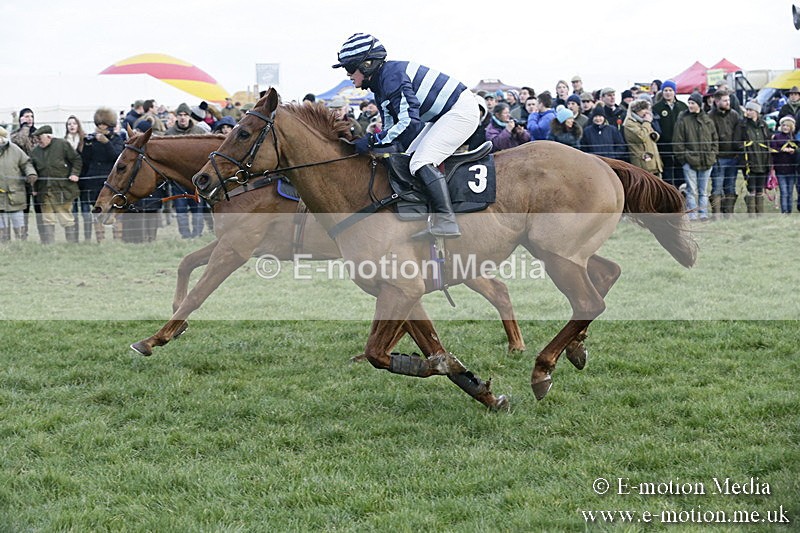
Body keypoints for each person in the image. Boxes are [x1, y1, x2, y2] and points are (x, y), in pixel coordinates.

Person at [332, 33, 479, 239]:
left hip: (460, 111)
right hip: (444, 115)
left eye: (349, 68)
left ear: (367, 64)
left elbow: (409, 122)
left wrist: (373, 140)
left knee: (420, 162)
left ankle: (447, 221)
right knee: (408, 160)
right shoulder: (380, 85)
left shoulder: (392, 77)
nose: (348, 75)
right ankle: (427, 218)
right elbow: (392, 131)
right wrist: (372, 144)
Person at [30, 125, 82, 243]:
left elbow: (76, 160)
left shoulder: (63, 144)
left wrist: (74, 173)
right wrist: (34, 188)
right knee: (47, 219)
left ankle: (71, 245)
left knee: (66, 218)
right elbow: (33, 171)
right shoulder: (35, 152)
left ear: (49, 136)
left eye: (40, 138)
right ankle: (50, 246)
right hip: (45, 192)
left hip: (63, 190)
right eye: (36, 138)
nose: (38, 141)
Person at [80, 108, 125, 242]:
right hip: (94, 180)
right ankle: (100, 239)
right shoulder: (92, 139)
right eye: (99, 125)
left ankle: (117, 239)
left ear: (109, 126)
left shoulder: (116, 140)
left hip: (111, 180)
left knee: (114, 211)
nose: (101, 128)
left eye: (104, 125)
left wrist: (106, 143)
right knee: (97, 210)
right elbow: (86, 160)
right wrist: (87, 144)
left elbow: (116, 156)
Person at [673, 92, 718, 221]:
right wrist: (684, 158)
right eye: (689, 103)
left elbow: (714, 139)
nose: (690, 105)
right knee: (691, 190)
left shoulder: (707, 120)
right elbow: (678, 141)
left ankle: (703, 214)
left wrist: (712, 154)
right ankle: (692, 215)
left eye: (693, 103)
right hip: (690, 161)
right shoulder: (683, 120)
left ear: (699, 104)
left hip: (707, 160)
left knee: (703, 190)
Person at [734, 101, 772, 217]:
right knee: (751, 189)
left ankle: (760, 214)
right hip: (749, 162)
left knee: (760, 189)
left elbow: (768, 141)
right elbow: (736, 142)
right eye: (747, 110)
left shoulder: (763, 125)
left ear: (756, 112)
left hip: (763, 161)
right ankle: (751, 214)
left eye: (751, 110)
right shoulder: (742, 125)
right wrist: (746, 148)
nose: (748, 112)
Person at [0, 126, 37, 241]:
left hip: (15, 194)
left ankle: (21, 247)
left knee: (19, 225)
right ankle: (4, 249)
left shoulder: (14, 150)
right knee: (1, 229)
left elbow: (26, 163)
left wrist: (31, 174)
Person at [708, 89, 741, 218]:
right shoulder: (710, 116)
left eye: (728, 100)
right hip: (718, 157)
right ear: (717, 101)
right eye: (725, 100)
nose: (728, 102)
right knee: (717, 186)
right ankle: (716, 214)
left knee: (731, 186)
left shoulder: (734, 115)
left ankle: (729, 214)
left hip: (732, 156)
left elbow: (738, 134)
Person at [652, 79, 688, 190]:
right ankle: (669, 197)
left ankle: (681, 198)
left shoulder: (682, 107)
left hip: (680, 147)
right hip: (664, 147)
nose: (668, 93)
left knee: (680, 175)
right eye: (666, 90)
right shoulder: (657, 108)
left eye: (670, 90)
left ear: (675, 92)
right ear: (662, 92)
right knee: (667, 176)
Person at [623, 99, 663, 177]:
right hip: (643, 164)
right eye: (644, 109)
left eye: (648, 109)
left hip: (654, 162)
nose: (647, 112)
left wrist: (654, 134)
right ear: (637, 111)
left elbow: (654, 137)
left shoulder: (643, 121)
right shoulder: (630, 124)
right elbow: (642, 137)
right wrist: (647, 122)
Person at [770, 116, 798, 214]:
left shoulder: (794, 138)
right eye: (783, 125)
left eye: (787, 126)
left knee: (790, 192)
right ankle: (784, 210)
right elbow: (772, 150)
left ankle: (789, 210)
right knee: (784, 191)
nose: (785, 127)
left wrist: (794, 151)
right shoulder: (776, 137)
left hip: (792, 169)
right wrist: (782, 150)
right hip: (780, 169)